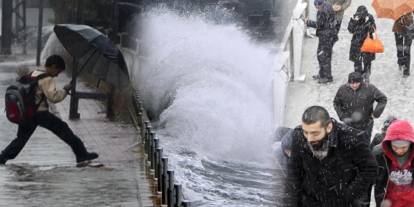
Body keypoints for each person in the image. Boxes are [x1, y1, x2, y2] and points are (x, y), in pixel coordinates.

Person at [0, 55, 99, 166]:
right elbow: (54, 97)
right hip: (39, 114)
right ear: (53, 66)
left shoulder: (35, 73)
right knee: (64, 129)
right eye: (58, 71)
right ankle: (82, 155)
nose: (57, 75)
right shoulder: (47, 78)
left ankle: (2, 157)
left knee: (20, 140)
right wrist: (65, 90)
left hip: (27, 114)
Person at [286, 105, 377, 206]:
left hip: (341, 202)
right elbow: (294, 171)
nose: (309, 139)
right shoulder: (298, 135)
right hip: (310, 201)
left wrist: (348, 195)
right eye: (306, 132)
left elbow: (370, 168)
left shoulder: (352, 139)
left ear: (329, 127)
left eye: (315, 133)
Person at [333, 72, 387, 145]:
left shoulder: (370, 88)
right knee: (349, 145)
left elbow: (383, 99)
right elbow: (336, 103)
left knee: (364, 146)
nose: (354, 85)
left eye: (356, 83)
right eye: (352, 83)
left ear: (361, 81)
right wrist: (342, 116)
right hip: (349, 125)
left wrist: (376, 114)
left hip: (366, 125)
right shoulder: (342, 89)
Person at [373, 120, 414, 207]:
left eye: (404, 147)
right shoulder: (380, 155)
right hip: (388, 202)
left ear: (410, 144)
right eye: (395, 147)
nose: (399, 151)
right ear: (389, 143)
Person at [304, 0, 337, 84]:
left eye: (317, 6)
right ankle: (322, 74)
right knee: (321, 55)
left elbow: (319, 24)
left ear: (319, 5)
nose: (316, 8)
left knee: (324, 57)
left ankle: (327, 77)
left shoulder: (322, 11)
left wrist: (307, 22)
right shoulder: (327, 5)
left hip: (326, 36)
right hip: (328, 35)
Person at [347, 6, 376, 82]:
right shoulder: (355, 18)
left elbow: (373, 29)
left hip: (367, 42)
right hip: (356, 43)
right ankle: (358, 75)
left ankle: (367, 75)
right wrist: (354, 21)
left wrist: (368, 24)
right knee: (357, 61)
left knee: (367, 60)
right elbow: (350, 30)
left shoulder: (369, 17)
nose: (361, 16)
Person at [393, 12, 414, 77]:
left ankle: (406, 71)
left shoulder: (411, 3)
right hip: (398, 27)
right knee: (399, 49)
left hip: (409, 28)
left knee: (406, 50)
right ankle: (401, 64)